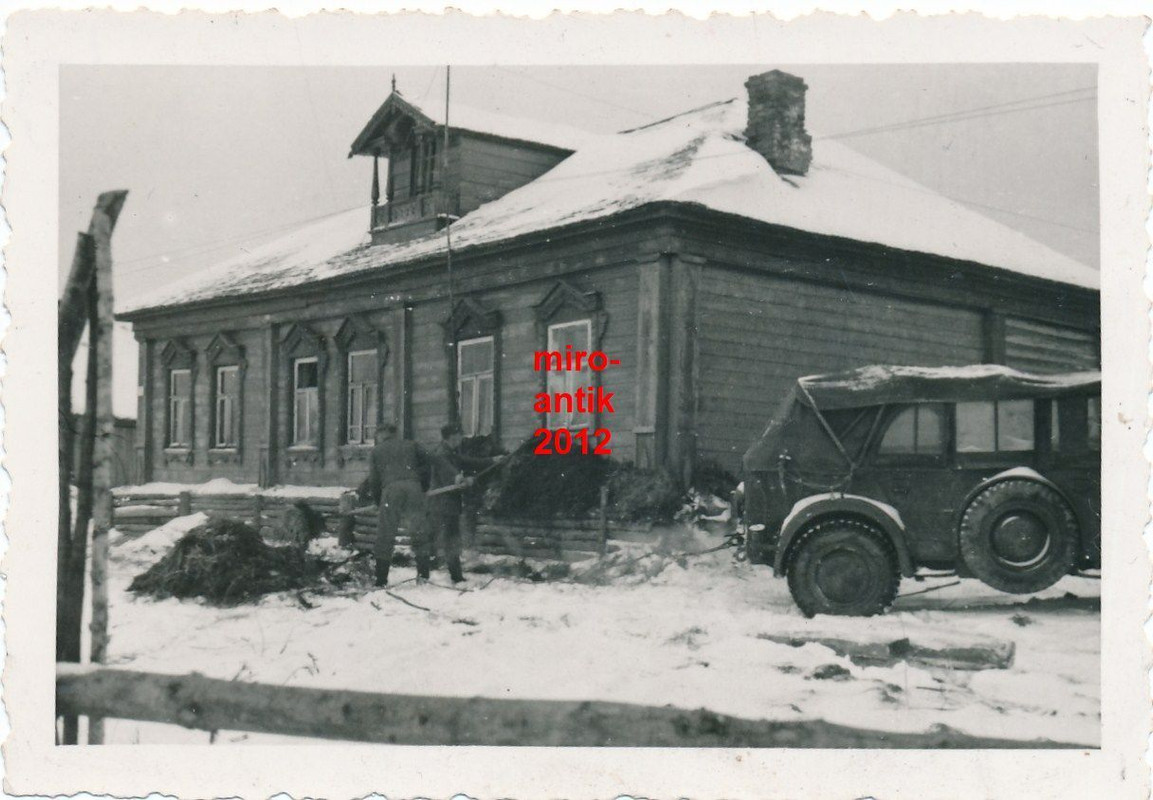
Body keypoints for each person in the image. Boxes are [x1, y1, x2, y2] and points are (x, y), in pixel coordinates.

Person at [359, 422, 432, 586]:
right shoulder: (411, 444)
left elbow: (374, 480)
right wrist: (423, 486)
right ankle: (424, 576)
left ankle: (381, 580)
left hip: (391, 491)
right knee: (418, 530)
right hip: (414, 488)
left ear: (380, 435)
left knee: (386, 534)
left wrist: (378, 501)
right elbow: (428, 463)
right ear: (396, 433)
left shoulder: (376, 451)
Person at [427, 423, 500, 583]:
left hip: (447, 504)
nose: (461, 439)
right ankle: (454, 576)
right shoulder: (442, 454)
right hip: (443, 504)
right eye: (459, 436)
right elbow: (451, 479)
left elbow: (467, 461)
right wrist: (464, 481)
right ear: (451, 437)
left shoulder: (450, 452)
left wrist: (492, 460)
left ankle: (446, 573)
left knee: (448, 538)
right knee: (450, 539)